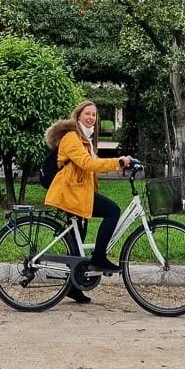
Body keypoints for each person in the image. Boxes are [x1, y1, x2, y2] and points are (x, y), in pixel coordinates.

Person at [44, 100, 133, 305]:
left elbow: (89, 168)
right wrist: (117, 162)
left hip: (78, 194)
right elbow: (87, 164)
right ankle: (99, 257)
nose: (91, 117)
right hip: (70, 194)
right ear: (77, 116)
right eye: (87, 113)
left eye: (94, 114)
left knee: (78, 242)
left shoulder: (85, 138)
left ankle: (74, 287)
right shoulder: (72, 137)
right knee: (112, 211)